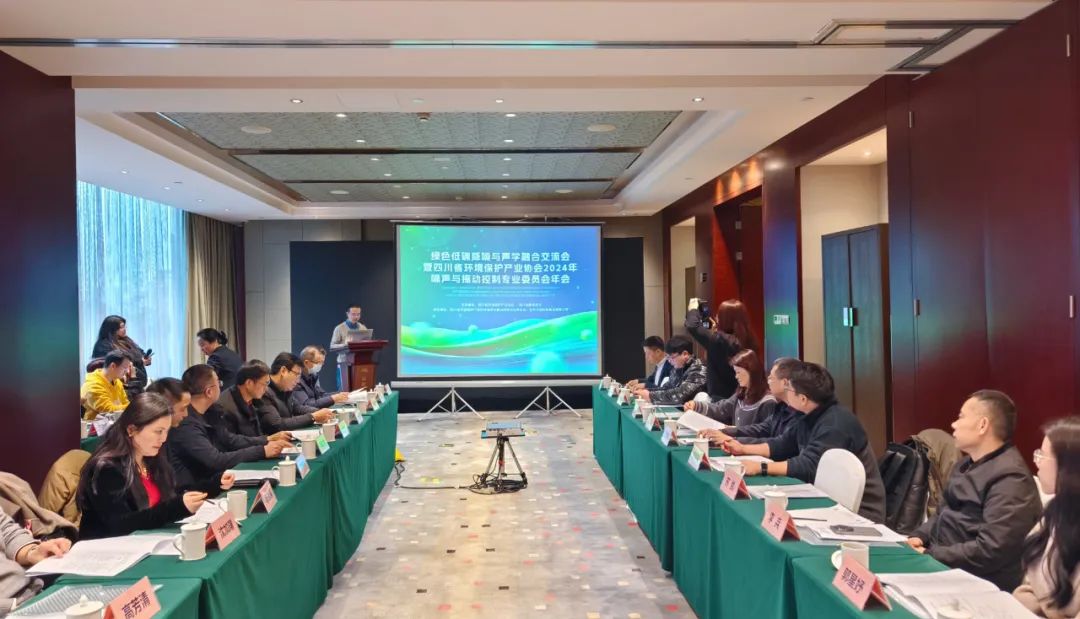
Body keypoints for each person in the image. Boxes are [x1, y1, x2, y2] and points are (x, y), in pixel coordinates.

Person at [907, 390, 1042, 591]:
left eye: (961, 417)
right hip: (941, 565)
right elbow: (942, 514)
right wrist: (919, 536)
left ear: (982, 425)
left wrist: (931, 554)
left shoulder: (1011, 478)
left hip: (977, 583)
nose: (954, 424)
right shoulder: (964, 465)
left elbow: (991, 550)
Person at [724, 362, 886, 522]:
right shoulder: (807, 414)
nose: (787, 393)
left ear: (802, 399)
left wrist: (761, 467)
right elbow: (783, 445)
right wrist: (743, 449)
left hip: (859, 512)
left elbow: (808, 466)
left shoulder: (835, 424)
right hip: (825, 495)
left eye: (789, 389)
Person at [76, 393, 235, 540]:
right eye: (158, 431)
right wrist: (177, 508)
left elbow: (171, 496)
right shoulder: (107, 469)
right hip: (110, 549)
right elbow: (120, 524)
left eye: (166, 431)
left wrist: (212, 485)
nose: (163, 439)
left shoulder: (151, 459)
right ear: (131, 430)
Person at [168, 365, 289, 488]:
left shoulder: (212, 411)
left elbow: (229, 439)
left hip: (217, 479)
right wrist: (262, 451)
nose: (221, 386)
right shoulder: (185, 425)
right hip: (198, 488)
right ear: (209, 392)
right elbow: (216, 460)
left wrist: (266, 440)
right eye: (218, 383)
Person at [1016, 416, 1080, 616]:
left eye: (1042, 456)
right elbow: (1029, 588)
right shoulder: (1055, 512)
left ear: (1069, 468)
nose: (1037, 464)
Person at [698, 357, 802, 446]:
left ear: (785, 383)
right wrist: (724, 431)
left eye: (771, 377)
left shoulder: (794, 413)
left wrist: (732, 440)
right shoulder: (782, 407)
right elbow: (761, 428)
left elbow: (777, 444)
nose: (768, 380)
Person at [685, 299, 759, 400]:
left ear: (725, 319)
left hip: (722, 399)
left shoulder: (720, 340)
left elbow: (692, 326)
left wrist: (693, 309)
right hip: (741, 396)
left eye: (719, 315)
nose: (716, 318)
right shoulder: (749, 340)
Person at [685, 349, 776, 428]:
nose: (736, 376)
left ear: (751, 371)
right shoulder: (741, 394)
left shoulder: (768, 402)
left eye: (739, 372)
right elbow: (721, 408)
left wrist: (733, 431)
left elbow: (762, 433)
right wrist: (696, 406)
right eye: (735, 372)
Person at [0, 510, 72, 609]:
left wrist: (31, 552)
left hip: (31, 592)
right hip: (11, 606)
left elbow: (6, 530)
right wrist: (10, 606)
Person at [257, 353, 335, 432]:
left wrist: (319, 412)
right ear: (283, 371)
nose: (298, 381)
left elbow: (298, 408)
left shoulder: (286, 388)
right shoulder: (263, 391)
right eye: (297, 375)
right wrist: (313, 417)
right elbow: (277, 424)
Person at [218, 362, 292, 442]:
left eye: (268, 384)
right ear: (249, 383)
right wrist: (267, 439)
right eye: (265, 384)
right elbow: (232, 442)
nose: (266, 389)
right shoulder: (225, 407)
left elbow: (257, 434)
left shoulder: (253, 399)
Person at [631, 336, 707, 405]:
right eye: (667, 357)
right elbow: (666, 388)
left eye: (671, 357)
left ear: (685, 354)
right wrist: (646, 391)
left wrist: (650, 396)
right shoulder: (677, 369)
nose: (669, 361)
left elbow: (680, 395)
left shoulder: (699, 369)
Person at [91, 315, 151, 397]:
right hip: (122, 387)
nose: (125, 329)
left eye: (125, 326)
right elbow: (119, 362)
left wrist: (145, 358)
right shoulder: (103, 345)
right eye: (122, 327)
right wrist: (140, 362)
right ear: (112, 329)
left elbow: (140, 352)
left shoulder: (126, 340)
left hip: (136, 384)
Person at [292, 345, 349, 413]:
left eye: (322, 362)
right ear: (306, 363)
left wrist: (340, 394)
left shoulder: (312, 376)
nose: (320, 365)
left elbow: (321, 395)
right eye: (318, 362)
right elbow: (307, 404)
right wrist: (333, 399)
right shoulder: (296, 380)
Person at [80, 350, 131, 420]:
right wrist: (133, 407)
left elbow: (125, 402)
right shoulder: (94, 385)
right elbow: (108, 410)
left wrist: (131, 407)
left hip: (115, 421)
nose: (127, 371)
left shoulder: (116, 381)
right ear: (113, 366)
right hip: (95, 425)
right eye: (125, 368)